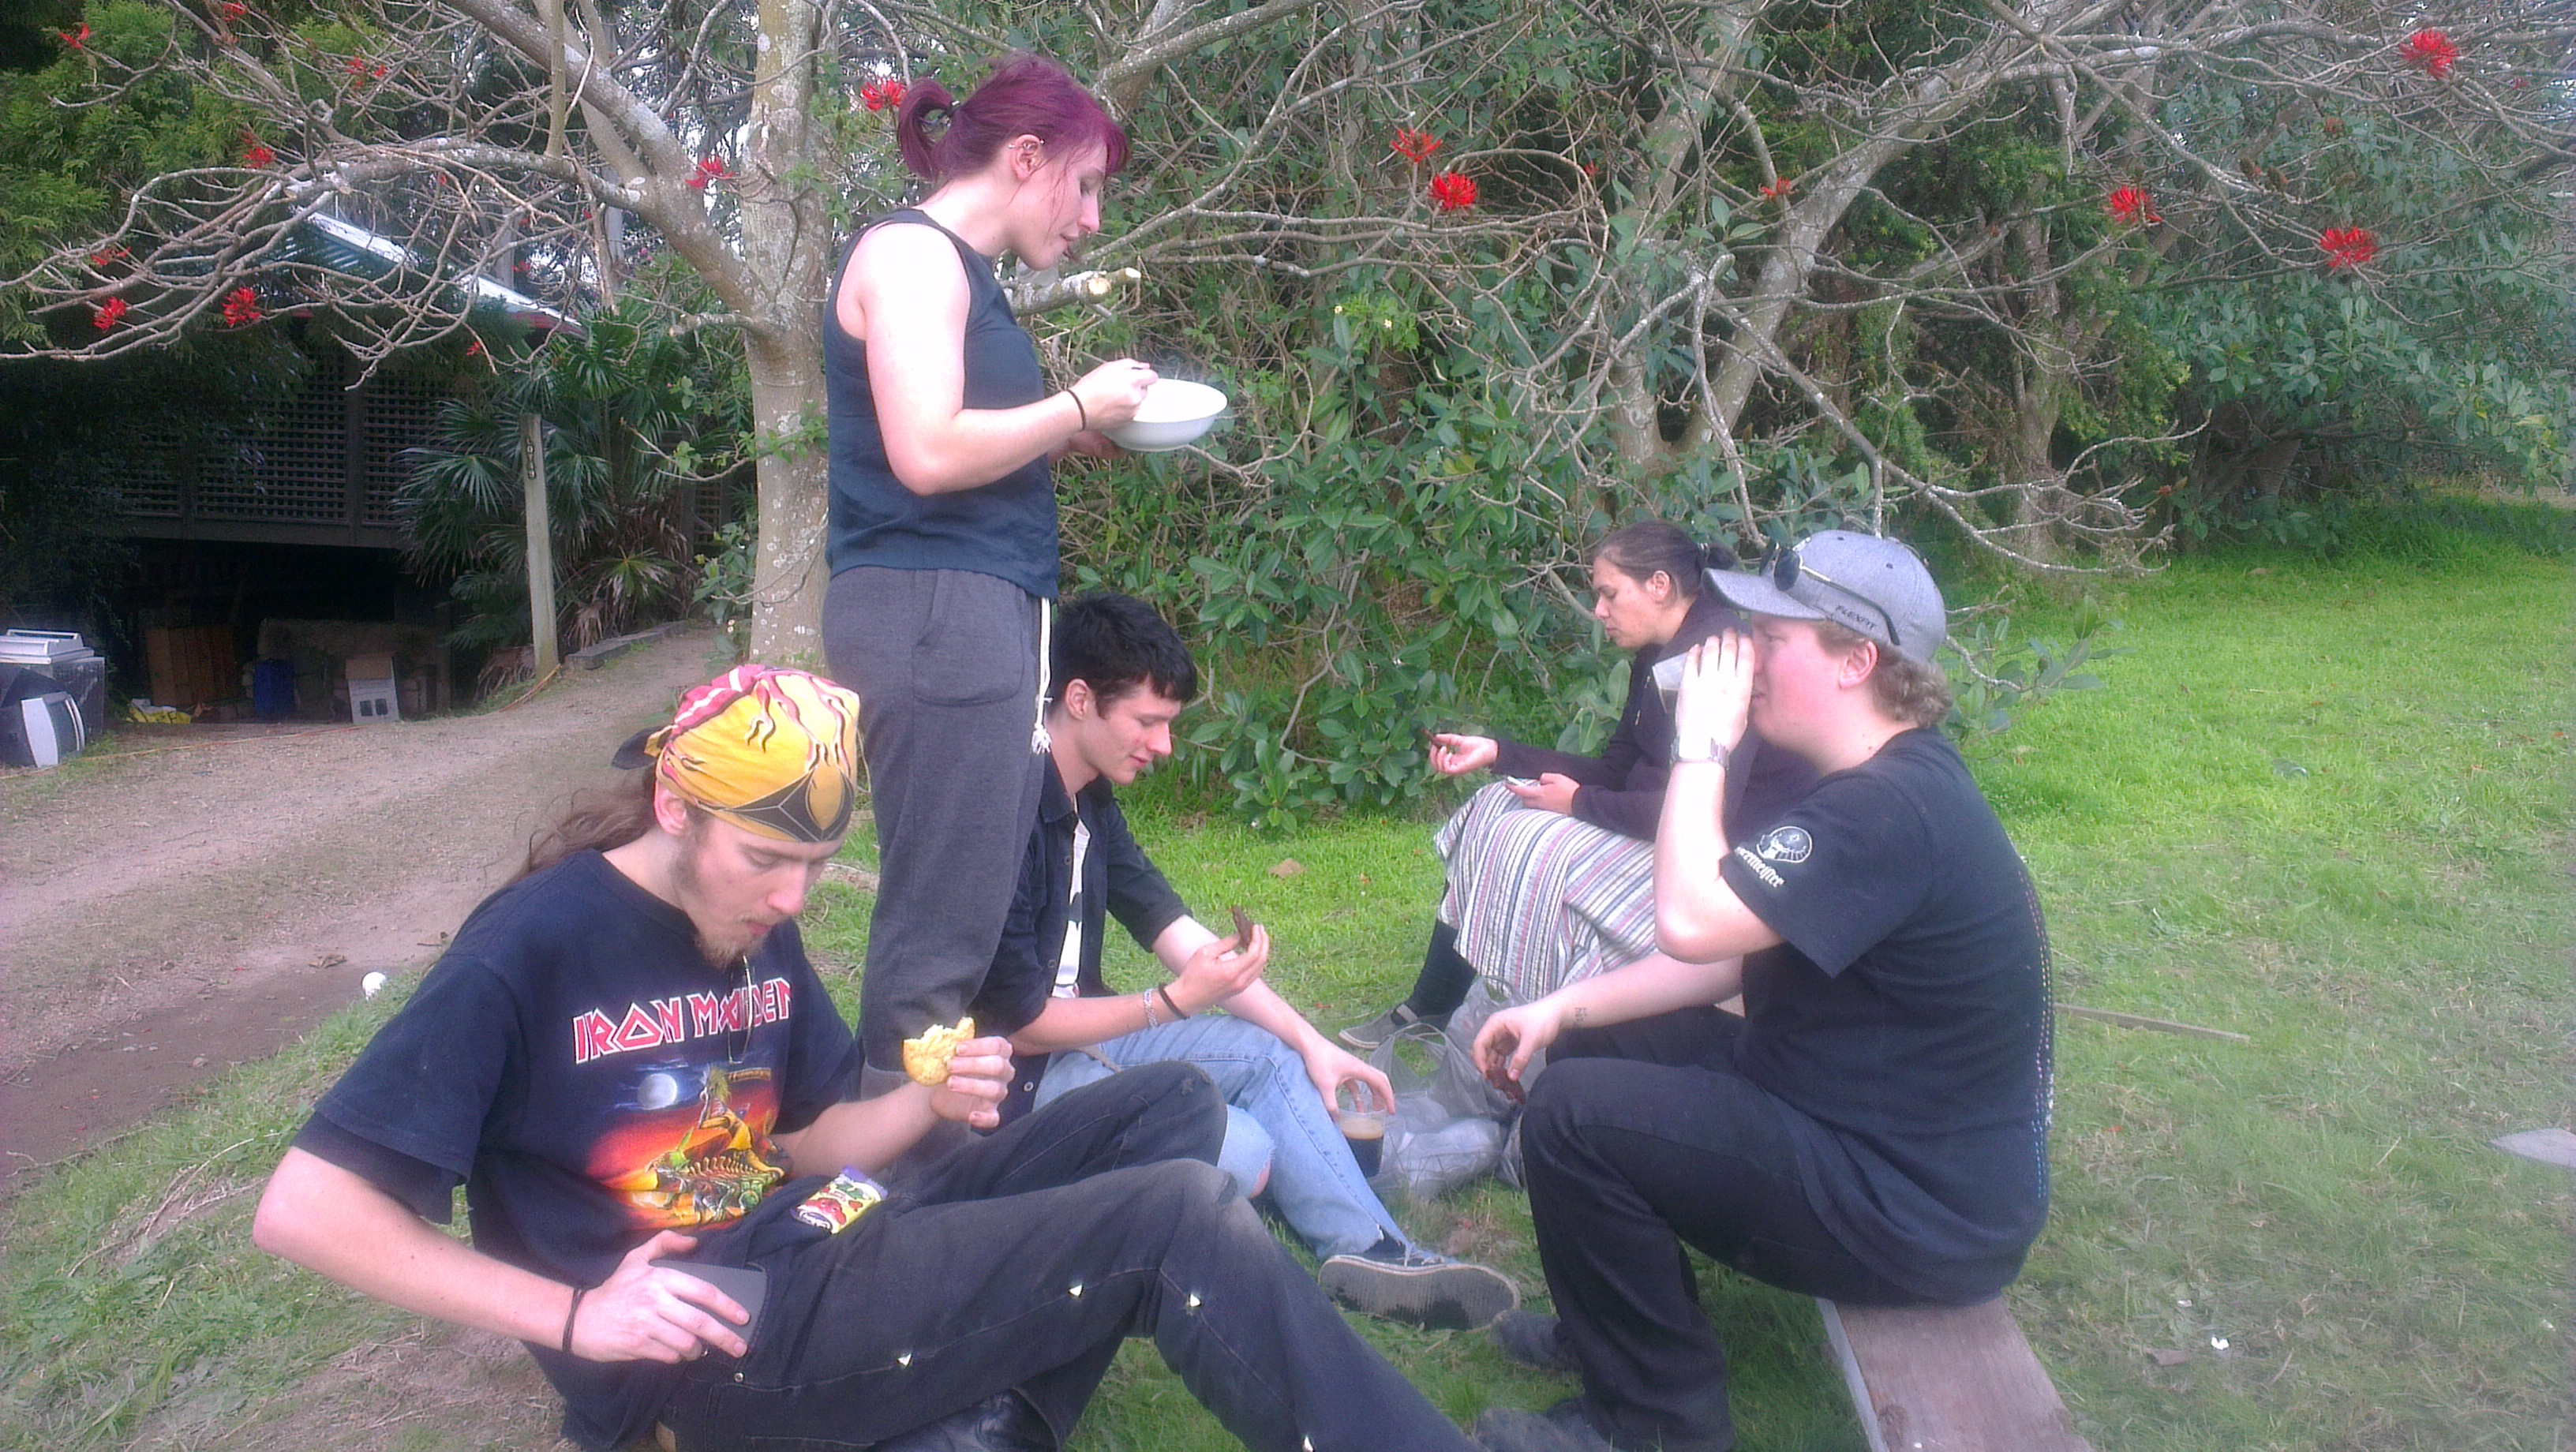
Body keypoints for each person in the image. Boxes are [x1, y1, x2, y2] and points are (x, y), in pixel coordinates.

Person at [250, 665, 1492, 1452]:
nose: (793, 899)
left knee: (1166, 1106)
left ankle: (979, 1425)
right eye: (765, 862)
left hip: (817, 1230)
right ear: (675, 811)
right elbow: (305, 1211)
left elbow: (810, 1140)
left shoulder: (757, 924)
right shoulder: (529, 949)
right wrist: (578, 1316)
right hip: (707, 1340)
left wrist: (930, 1097)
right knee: (1171, 1217)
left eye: (814, 867)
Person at [1464, 532, 2056, 1452]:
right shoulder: (1874, 781)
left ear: (1858, 661)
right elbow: (1731, 955)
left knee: (1573, 1118)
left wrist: (1702, 743)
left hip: (1912, 1205)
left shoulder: (1888, 809)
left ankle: (1656, 1426)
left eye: (1772, 637)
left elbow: (1689, 922)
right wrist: (1559, 1009)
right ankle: (1610, 1333)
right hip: (1842, 1107)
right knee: (1590, 1042)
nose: (1743, 654)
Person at [968, 593, 1519, 1330]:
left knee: (1271, 1056)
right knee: (1247, 1147)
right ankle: (1345, 1168)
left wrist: (1313, 1045)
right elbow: (1019, 1022)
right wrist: (1170, 1003)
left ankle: (1375, 1252)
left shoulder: (1089, 800)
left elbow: (1173, 929)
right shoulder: (1005, 810)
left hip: (1089, 1045)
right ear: (1079, 700)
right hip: (1016, 1085)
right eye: (1148, 721)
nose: (1164, 745)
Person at [824, 53, 1162, 1100]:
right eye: (1086, 185)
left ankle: (947, 1141)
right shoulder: (912, 256)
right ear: (1026, 157)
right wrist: (1076, 405)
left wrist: (1069, 437)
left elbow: (958, 440)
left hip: (974, 607)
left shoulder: (962, 275)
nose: (1092, 219)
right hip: (935, 608)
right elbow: (926, 452)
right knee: (941, 922)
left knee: (968, 908)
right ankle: (888, 1162)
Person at [1340, 521, 1815, 1051]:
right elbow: (1617, 769)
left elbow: (1708, 812)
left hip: (1727, 862)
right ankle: (1432, 1003)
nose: (1599, 611)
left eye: (1610, 594)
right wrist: (1499, 754)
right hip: (1658, 824)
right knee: (1495, 805)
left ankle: (1536, 1022)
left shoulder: (1716, 654)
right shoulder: (1657, 652)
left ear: (1659, 585)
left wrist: (1577, 804)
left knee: (1526, 843)